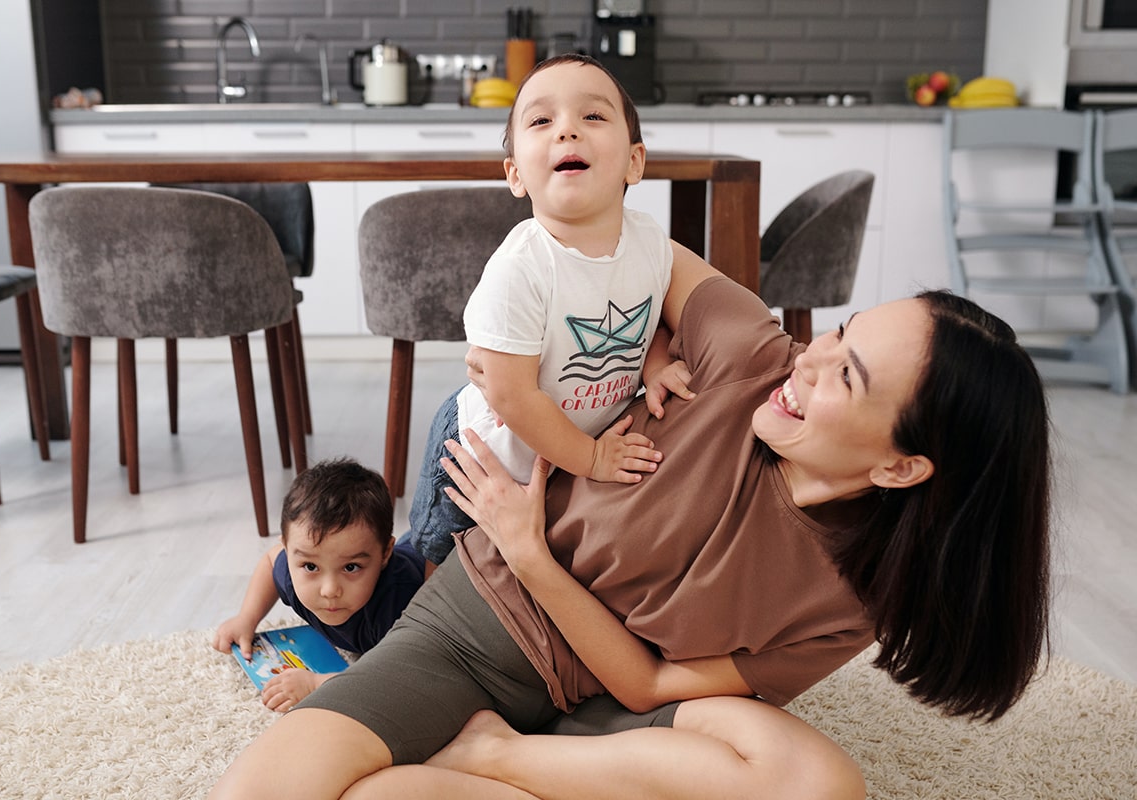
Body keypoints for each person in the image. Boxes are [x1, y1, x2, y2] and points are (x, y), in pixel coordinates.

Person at [209, 234, 1052, 799]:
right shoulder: (751, 357)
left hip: (613, 701)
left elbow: (648, 686)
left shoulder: (857, 596)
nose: (813, 358)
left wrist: (533, 550)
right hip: (483, 628)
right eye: (839, 333)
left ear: (900, 466)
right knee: (277, 785)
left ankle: (489, 758)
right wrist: (635, 333)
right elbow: (627, 238)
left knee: (823, 786)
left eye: (847, 376)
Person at [409, 53, 694, 570]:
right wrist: (591, 460)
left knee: (521, 568)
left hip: (564, 446)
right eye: (543, 121)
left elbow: (646, 316)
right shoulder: (520, 269)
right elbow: (513, 396)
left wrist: (654, 367)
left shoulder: (651, 242)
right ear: (516, 175)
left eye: (593, 116)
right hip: (482, 448)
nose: (568, 131)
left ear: (635, 161)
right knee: (440, 558)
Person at [212, 458, 425, 713]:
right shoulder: (293, 570)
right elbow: (271, 561)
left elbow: (400, 682)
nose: (329, 590)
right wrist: (247, 617)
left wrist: (317, 684)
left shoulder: (399, 605)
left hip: (439, 556)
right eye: (311, 567)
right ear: (289, 551)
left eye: (351, 567)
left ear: (384, 555)